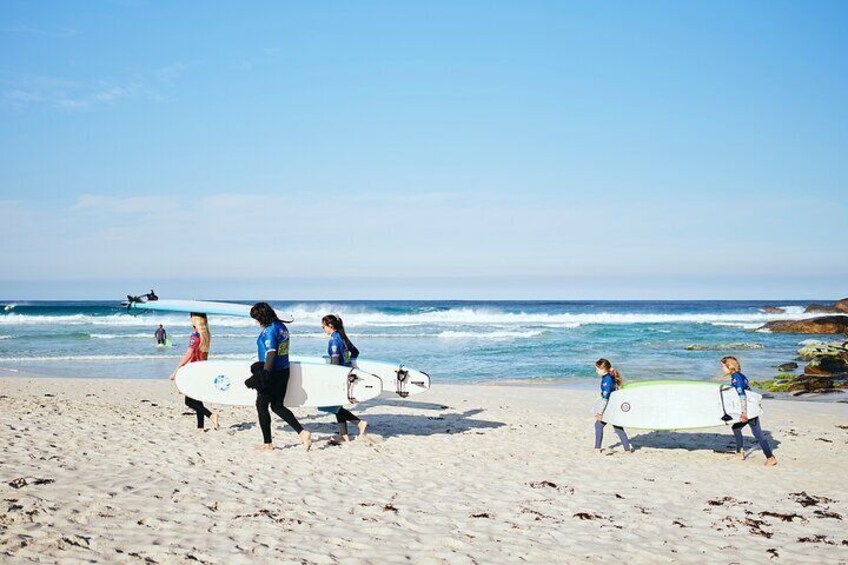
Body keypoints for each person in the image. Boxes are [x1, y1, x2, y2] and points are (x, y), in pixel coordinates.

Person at [246, 302, 311, 452]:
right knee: (277, 406)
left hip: (272, 372)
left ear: (263, 317)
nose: (256, 321)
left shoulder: (270, 330)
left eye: (257, 318)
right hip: (284, 370)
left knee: (261, 406)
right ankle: (302, 433)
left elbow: (271, 353)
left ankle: (267, 443)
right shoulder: (282, 327)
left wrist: (265, 374)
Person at [319, 314, 367, 445]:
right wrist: (349, 363)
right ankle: (344, 436)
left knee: (330, 405)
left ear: (330, 326)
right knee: (336, 405)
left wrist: (331, 377)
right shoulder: (343, 337)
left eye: (323, 326)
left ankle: (359, 423)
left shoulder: (334, 340)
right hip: (346, 373)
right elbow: (355, 352)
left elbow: (334, 362)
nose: (323, 329)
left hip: (339, 375)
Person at [721, 356, 777, 467]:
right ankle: (740, 453)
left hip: (749, 410)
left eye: (723, 366)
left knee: (758, 434)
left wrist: (744, 413)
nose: (722, 369)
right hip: (750, 407)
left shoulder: (736, 377)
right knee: (736, 428)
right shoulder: (739, 376)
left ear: (729, 366)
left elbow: (742, 395)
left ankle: (770, 457)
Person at [169, 313, 219, 432]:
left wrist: (176, 370)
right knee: (196, 398)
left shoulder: (195, 336)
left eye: (191, 317)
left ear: (195, 320)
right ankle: (200, 427)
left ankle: (211, 415)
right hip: (202, 368)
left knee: (189, 401)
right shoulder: (206, 334)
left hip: (194, 370)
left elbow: (189, 354)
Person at [593, 358, 632, 453]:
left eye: (597, 369)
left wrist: (600, 413)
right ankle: (627, 450)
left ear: (604, 369)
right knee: (617, 428)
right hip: (614, 405)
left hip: (611, 407)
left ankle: (597, 448)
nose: (596, 371)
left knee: (599, 425)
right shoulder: (608, 376)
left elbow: (605, 399)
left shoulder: (607, 381)